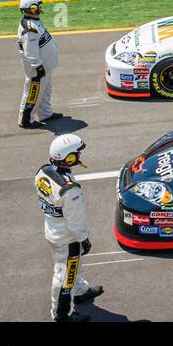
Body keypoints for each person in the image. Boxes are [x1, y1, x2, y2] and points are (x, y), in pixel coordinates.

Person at [36, 133, 102, 321]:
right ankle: (61, 314)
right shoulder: (69, 189)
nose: (79, 157)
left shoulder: (44, 171)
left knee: (73, 266)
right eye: (76, 154)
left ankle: (80, 291)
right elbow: (76, 221)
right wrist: (84, 239)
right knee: (65, 275)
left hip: (53, 228)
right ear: (69, 158)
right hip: (68, 237)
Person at [17, 0, 61, 129]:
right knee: (33, 92)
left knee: (46, 89)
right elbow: (30, 51)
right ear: (32, 8)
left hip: (45, 65)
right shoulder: (29, 28)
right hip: (38, 68)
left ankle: (45, 114)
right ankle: (25, 120)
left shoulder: (35, 21)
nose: (40, 8)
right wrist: (37, 66)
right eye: (38, 6)